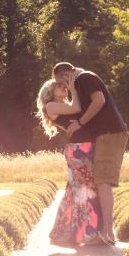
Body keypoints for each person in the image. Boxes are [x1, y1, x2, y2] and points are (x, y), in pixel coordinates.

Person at [51, 62, 129, 246]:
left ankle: (108, 232)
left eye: (60, 82)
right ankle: (105, 231)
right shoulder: (80, 83)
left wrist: (80, 123)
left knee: (103, 182)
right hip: (104, 135)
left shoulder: (84, 78)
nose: (63, 87)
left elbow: (99, 100)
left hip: (111, 133)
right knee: (100, 182)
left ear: (66, 75)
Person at [37, 78, 102, 246]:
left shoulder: (65, 105)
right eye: (59, 86)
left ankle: (64, 233)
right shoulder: (50, 105)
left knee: (74, 191)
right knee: (84, 190)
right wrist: (73, 89)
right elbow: (77, 108)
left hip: (83, 147)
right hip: (78, 149)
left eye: (63, 85)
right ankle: (88, 234)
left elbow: (81, 110)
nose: (64, 87)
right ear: (50, 92)